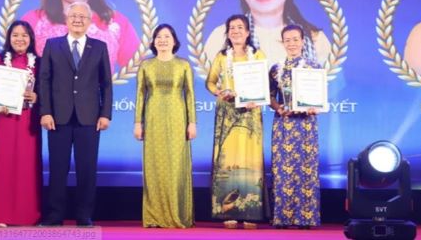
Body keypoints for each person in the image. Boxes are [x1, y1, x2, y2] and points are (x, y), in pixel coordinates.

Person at [38, 1, 113, 227]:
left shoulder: (99, 47)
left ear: (89, 21)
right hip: (57, 118)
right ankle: (54, 215)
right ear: (67, 19)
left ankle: (84, 215)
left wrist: (105, 114)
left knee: (87, 169)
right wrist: (45, 112)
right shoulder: (53, 45)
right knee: (57, 169)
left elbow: (106, 84)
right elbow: (44, 81)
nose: (78, 20)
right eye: (74, 16)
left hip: (89, 118)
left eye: (82, 17)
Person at [206, 14, 270, 229]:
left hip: (251, 113)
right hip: (227, 114)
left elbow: (264, 84)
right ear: (227, 32)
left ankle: (251, 212)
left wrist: (257, 98)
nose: (236, 31)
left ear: (248, 32)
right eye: (232, 27)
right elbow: (210, 82)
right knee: (227, 160)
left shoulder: (258, 55)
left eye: (240, 27)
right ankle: (228, 212)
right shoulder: (222, 56)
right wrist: (219, 92)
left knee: (250, 160)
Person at [134, 24, 197, 228]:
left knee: (176, 165)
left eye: (167, 36)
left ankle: (178, 214)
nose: (162, 40)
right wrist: (138, 122)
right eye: (158, 37)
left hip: (178, 119)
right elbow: (140, 95)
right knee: (154, 166)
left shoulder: (183, 65)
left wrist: (192, 122)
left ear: (174, 41)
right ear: (153, 42)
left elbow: (190, 95)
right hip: (153, 120)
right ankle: (154, 216)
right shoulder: (146, 65)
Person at [0, 21, 42, 227]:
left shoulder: (39, 62)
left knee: (26, 166)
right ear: (8, 38)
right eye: (15, 35)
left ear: (31, 38)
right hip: (2, 120)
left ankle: (27, 215)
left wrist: (36, 96)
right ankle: (1, 215)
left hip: (27, 121)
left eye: (24, 35)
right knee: (2, 165)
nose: (20, 39)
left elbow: (46, 90)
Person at [269, 24, 321, 229]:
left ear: (302, 41)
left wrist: (314, 107)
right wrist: (279, 108)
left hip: (306, 125)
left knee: (306, 169)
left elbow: (319, 98)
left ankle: (305, 218)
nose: (291, 43)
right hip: (284, 124)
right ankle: (282, 218)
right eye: (287, 40)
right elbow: (270, 97)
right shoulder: (276, 69)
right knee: (283, 170)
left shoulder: (314, 67)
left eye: (295, 39)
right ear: (283, 42)